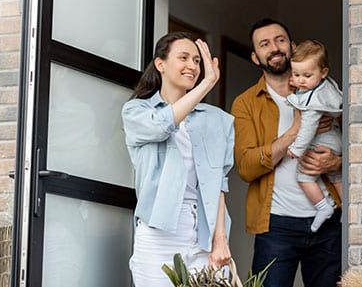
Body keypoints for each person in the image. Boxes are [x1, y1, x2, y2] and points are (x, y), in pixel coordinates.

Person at [231, 18, 342, 287]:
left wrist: (337, 162)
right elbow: (246, 167)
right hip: (276, 226)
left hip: (330, 224)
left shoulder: (325, 92)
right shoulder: (246, 103)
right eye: (265, 44)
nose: (275, 48)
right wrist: (295, 130)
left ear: (292, 47)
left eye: (280, 40)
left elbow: (359, 143)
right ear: (256, 57)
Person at [122, 32, 234, 287]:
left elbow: (218, 183)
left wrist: (220, 240)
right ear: (160, 64)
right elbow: (164, 125)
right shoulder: (137, 111)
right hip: (159, 229)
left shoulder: (218, 120)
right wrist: (207, 84)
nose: (193, 66)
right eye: (184, 57)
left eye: (197, 60)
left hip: (205, 231)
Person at [286, 40, 343, 233]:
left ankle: (322, 206)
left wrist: (297, 149)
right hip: (336, 141)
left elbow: (308, 128)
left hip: (322, 142)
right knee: (336, 176)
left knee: (303, 176)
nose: (301, 81)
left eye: (307, 75)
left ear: (323, 72)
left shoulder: (313, 102)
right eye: (296, 75)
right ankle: (348, 209)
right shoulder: (326, 87)